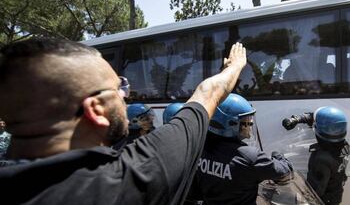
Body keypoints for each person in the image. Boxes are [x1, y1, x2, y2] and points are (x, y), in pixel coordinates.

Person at [0, 38, 247, 205]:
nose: (126, 94)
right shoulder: (128, 180)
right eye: (119, 87)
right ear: (96, 109)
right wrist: (234, 67)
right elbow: (208, 93)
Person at [188, 93, 293, 205]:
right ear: (232, 124)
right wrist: (278, 156)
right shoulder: (250, 157)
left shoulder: (199, 150)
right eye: (246, 121)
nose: (250, 123)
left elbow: (195, 192)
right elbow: (285, 172)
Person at [307, 106, 350, 205]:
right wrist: (302, 118)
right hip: (336, 195)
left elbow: (314, 192)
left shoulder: (321, 159)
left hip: (324, 201)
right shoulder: (344, 146)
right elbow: (332, 119)